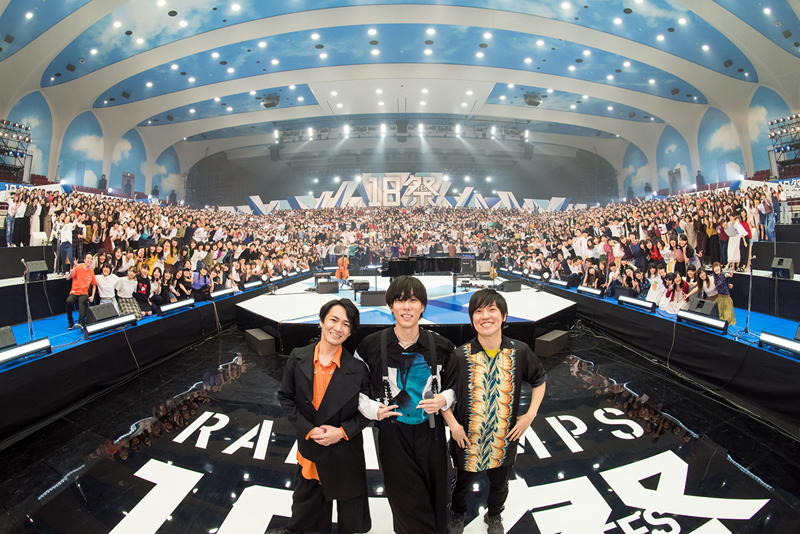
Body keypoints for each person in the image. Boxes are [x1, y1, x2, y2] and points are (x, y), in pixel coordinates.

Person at [355, 275, 458, 534]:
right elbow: (353, 387)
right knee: (406, 502)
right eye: (400, 301)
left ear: (423, 306)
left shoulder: (442, 346)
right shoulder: (370, 346)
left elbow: (457, 385)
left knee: (435, 496)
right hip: (392, 434)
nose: (407, 307)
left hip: (432, 433)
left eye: (413, 300)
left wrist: (445, 398)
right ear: (391, 306)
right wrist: (373, 410)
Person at [442, 289, 546, 534]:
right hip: (468, 440)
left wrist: (530, 415)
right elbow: (443, 396)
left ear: (504, 316)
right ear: (472, 319)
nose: (485, 316)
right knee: (461, 484)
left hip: (504, 438)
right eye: (478, 311)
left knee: (500, 484)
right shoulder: (460, 356)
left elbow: (539, 380)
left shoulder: (520, 351)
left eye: (492, 310)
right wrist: (454, 426)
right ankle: (458, 514)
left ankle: (495, 515)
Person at [271, 299, 372, 534]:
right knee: (306, 498)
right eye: (334, 320)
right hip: (311, 445)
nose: (338, 328)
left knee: (349, 505)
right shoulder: (298, 357)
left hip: (345, 449)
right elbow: (286, 397)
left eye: (346, 324)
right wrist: (308, 429)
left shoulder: (358, 370)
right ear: (321, 321)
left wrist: (342, 432)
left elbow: (367, 411)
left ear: (350, 332)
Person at [65, 253, 97, 330]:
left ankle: (81, 323)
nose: (89, 260)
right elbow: (67, 278)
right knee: (68, 302)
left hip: (84, 293)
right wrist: (71, 273)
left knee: (82, 302)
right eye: (88, 258)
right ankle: (70, 322)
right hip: (74, 292)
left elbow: (94, 285)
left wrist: (92, 296)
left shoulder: (91, 272)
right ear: (84, 260)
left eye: (91, 259)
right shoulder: (78, 268)